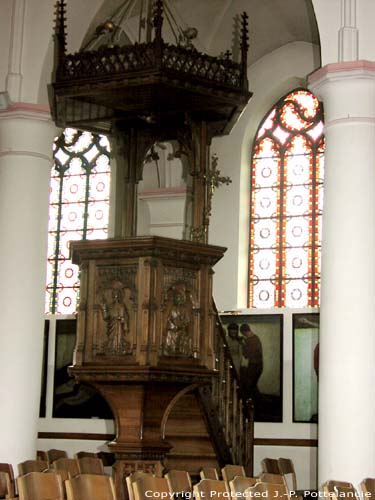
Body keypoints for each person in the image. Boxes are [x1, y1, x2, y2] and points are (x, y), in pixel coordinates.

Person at [240, 323, 263, 402]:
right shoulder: (256, 338)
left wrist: (242, 345)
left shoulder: (249, 340)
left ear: (244, 332)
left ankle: (254, 402)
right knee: (252, 385)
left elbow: (247, 355)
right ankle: (258, 401)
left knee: (249, 385)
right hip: (259, 365)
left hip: (254, 365)